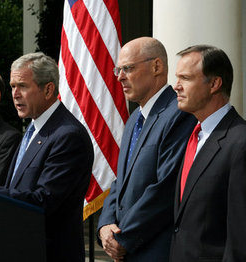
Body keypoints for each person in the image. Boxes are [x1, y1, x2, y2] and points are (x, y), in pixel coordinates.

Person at [97, 37, 196, 262]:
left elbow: (165, 188)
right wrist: (105, 226)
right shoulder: (134, 119)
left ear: (156, 67)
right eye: (118, 70)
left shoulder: (179, 113)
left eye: (128, 68)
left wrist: (124, 238)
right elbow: (120, 182)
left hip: (154, 251)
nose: (120, 76)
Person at [0, 52, 94, 262]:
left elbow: (44, 200)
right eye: (12, 86)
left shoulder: (67, 135)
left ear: (48, 89)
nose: (15, 94)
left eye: (23, 86)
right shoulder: (34, 129)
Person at [169, 45, 246, 261]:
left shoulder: (240, 143)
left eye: (185, 78)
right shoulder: (194, 136)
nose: (176, 86)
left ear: (214, 84)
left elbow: (240, 237)